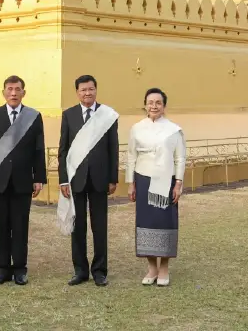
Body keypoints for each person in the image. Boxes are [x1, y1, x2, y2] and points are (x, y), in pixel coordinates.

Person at [0, 75, 46, 285]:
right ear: (3, 92)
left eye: (17, 89)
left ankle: (20, 269)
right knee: (1, 227)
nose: (13, 93)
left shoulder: (33, 116)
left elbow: (38, 148)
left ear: (24, 92)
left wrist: (39, 177)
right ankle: (3, 269)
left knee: (20, 226)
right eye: (9, 89)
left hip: (23, 181)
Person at [57, 74, 120, 287]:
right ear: (77, 92)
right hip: (76, 179)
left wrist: (113, 178)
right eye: (83, 90)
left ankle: (100, 271)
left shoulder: (107, 115)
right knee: (78, 227)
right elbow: (63, 150)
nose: (87, 93)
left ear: (96, 90)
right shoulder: (69, 115)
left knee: (99, 227)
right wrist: (63, 180)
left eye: (91, 89)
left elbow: (113, 148)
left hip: (100, 179)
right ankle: (80, 271)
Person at [127, 87, 185, 287]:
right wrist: (130, 183)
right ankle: (151, 267)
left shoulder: (174, 130)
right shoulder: (136, 128)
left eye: (158, 103)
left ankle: (164, 268)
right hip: (143, 180)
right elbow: (131, 156)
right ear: (145, 105)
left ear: (164, 106)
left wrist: (178, 183)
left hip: (166, 182)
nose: (154, 106)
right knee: (146, 223)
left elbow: (180, 158)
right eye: (150, 102)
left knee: (164, 222)